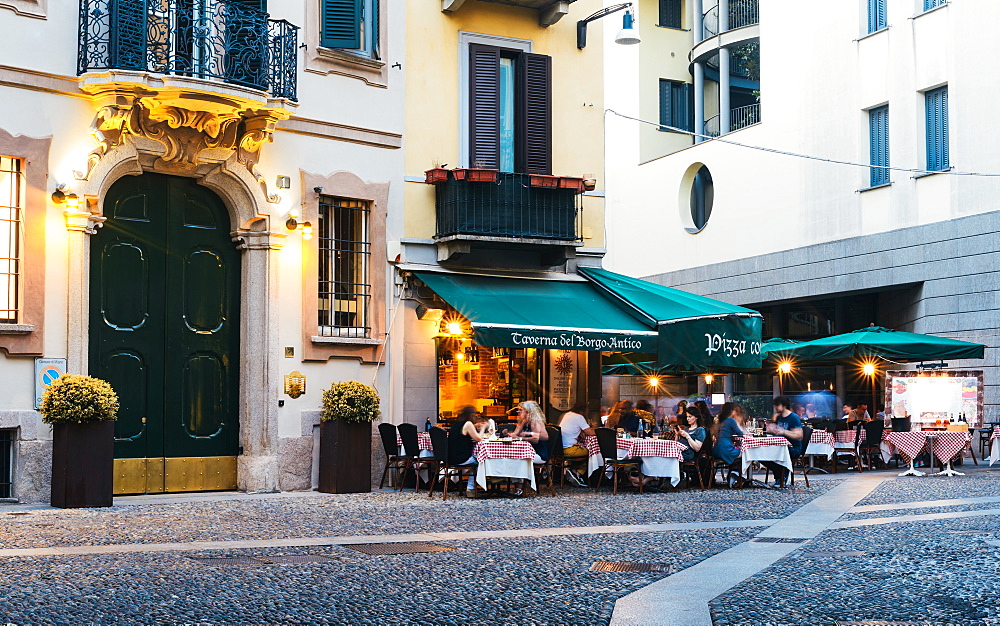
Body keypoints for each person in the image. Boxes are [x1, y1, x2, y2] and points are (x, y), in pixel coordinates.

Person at [510, 401, 550, 496]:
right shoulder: (524, 422)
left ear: (528, 412)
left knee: (517, 460)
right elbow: (514, 435)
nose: (518, 412)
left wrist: (521, 438)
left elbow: (535, 440)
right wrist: (508, 434)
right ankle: (520, 484)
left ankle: (519, 487)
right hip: (527, 452)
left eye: (521, 410)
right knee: (511, 458)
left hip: (539, 454)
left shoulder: (535, 422)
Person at [763, 395, 804, 487]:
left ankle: (781, 477)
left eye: (777, 405)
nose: (776, 407)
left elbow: (799, 435)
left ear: (784, 405)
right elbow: (778, 433)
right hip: (780, 447)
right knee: (760, 454)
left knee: (776, 453)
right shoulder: (779, 417)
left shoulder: (793, 417)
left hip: (793, 448)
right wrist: (772, 430)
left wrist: (783, 432)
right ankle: (780, 476)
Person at [558, 403, 595, 486]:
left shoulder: (567, 414)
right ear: (582, 411)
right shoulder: (579, 417)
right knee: (592, 453)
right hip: (570, 450)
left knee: (584, 452)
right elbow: (591, 433)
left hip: (560, 449)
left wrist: (581, 431)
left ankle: (572, 470)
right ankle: (577, 473)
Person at [712, 403, 745, 487]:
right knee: (745, 453)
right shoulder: (730, 420)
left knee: (740, 453)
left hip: (716, 450)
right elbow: (740, 433)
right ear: (731, 411)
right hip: (725, 449)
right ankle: (736, 474)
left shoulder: (720, 420)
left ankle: (734, 473)